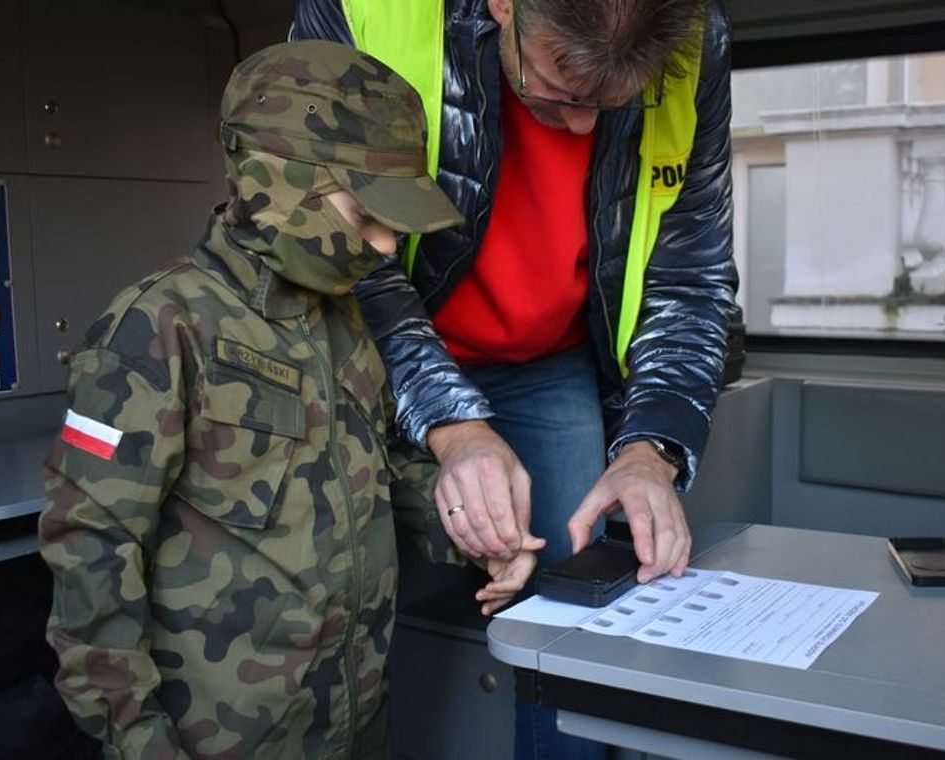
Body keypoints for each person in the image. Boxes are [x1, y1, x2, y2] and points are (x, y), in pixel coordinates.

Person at [37, 39, 541, 760]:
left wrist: (479, 536)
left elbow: (386, 470)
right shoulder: (158, 327)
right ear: (275, 183)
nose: (385, 242)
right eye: (364, 215)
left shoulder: (344, 322)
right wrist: (139, 742)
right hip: (221, 740)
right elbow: (91, 551)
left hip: (354, 718)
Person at [292, 0, 738, 756]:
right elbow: (344, 253)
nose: (583, 131)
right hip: (368, 345)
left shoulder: (697, 39)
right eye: (561, 94)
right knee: (326, 588)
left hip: (548, 362)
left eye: (616, 106)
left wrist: (648, 452)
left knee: (578, 604)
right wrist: (457, 427)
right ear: (504, 5)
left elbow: (689, 280)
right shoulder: (364, 11)